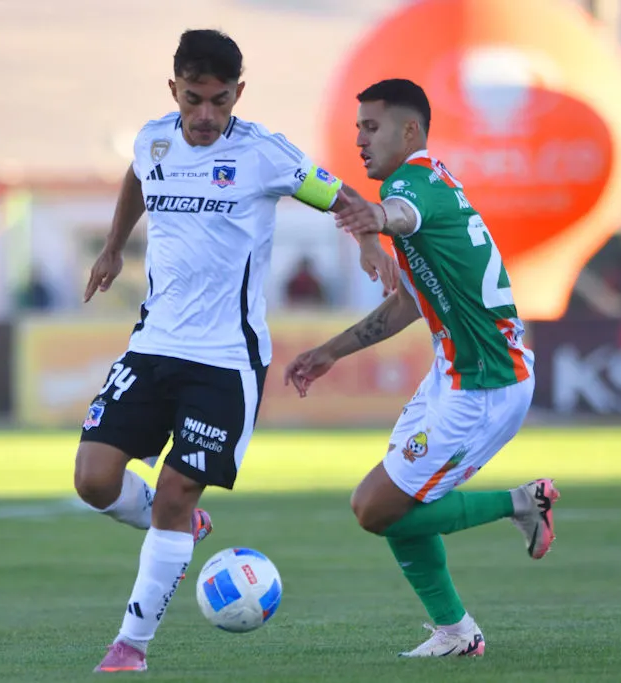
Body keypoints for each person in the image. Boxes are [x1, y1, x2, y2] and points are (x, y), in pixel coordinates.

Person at [77, 29, 399, 674]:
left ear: (238, 94)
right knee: (93, 480)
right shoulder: (153, 139)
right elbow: (138, 176)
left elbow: (337, 192)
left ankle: (131, 645)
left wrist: (368, 239)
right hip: (152, 346)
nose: (205, 115)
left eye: (219, 101)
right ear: (174, 89)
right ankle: (180, 526)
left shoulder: (263, 154)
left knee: (175, 492)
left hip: (226, 360)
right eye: (193, 99)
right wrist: (113, 247)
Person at [285, 78, 558, 659]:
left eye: (371, 127)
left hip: (486, 387)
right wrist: (331, 351)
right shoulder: (436, 184)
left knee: (375, 506)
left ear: (410, 131)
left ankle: (521, 503)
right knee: (391, 505)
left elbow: (400, 213)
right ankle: (455, 632)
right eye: (358, 128)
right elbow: (410, 301)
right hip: (453, 376)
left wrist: (374, 218)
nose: (360, 140)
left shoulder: (413, 183)